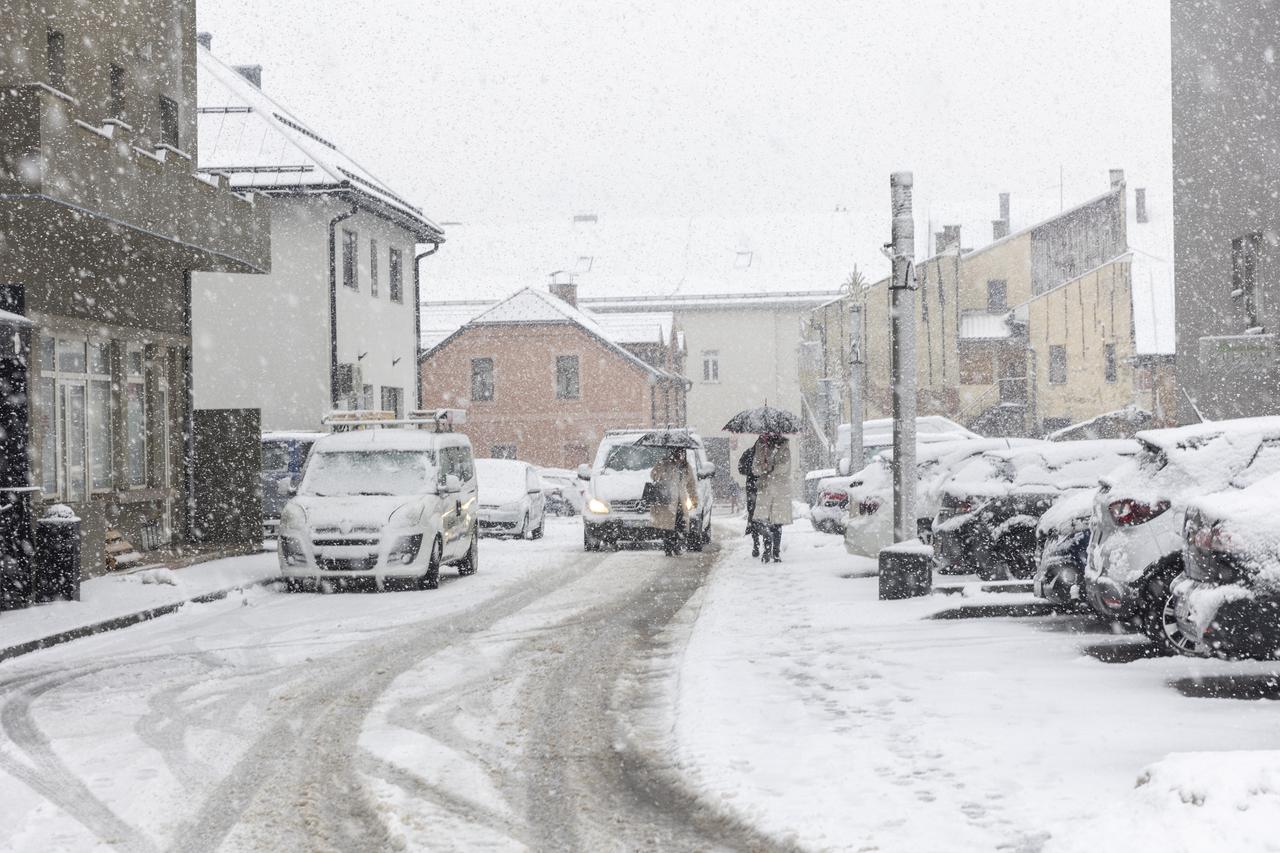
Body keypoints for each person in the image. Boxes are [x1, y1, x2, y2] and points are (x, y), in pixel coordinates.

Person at [751, 433, 793, 563]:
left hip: (780, 489)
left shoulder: (784, 447)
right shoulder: (760, 446)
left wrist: (769, 468)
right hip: (765, 488)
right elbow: (755, 468)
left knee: (777, 522)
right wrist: (761, 468)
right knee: (764, 521)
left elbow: (784, 467)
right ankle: (767, 549)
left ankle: (776, 552)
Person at [650, 447, 699, 557]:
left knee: (679, 526)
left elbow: (691, 485)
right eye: (678, 453)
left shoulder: (686, 467)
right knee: (667, 527)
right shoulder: (665, 464)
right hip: (667, 500)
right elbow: (653, 475)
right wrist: (660, 468)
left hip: (681, 502)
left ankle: (676, 546)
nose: (680, 456)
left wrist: (694, 499)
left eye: (682, 453)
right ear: (673, 454)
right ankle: (668, 548)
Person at [737, 444, 761, 557]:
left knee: (764, 516)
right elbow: (741, 467)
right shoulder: (750, 452)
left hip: (765, 488)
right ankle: (756, 543)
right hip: (753, 488)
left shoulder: (769, 454)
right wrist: (751, 470)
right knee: (753, 515)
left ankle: (765, 543)